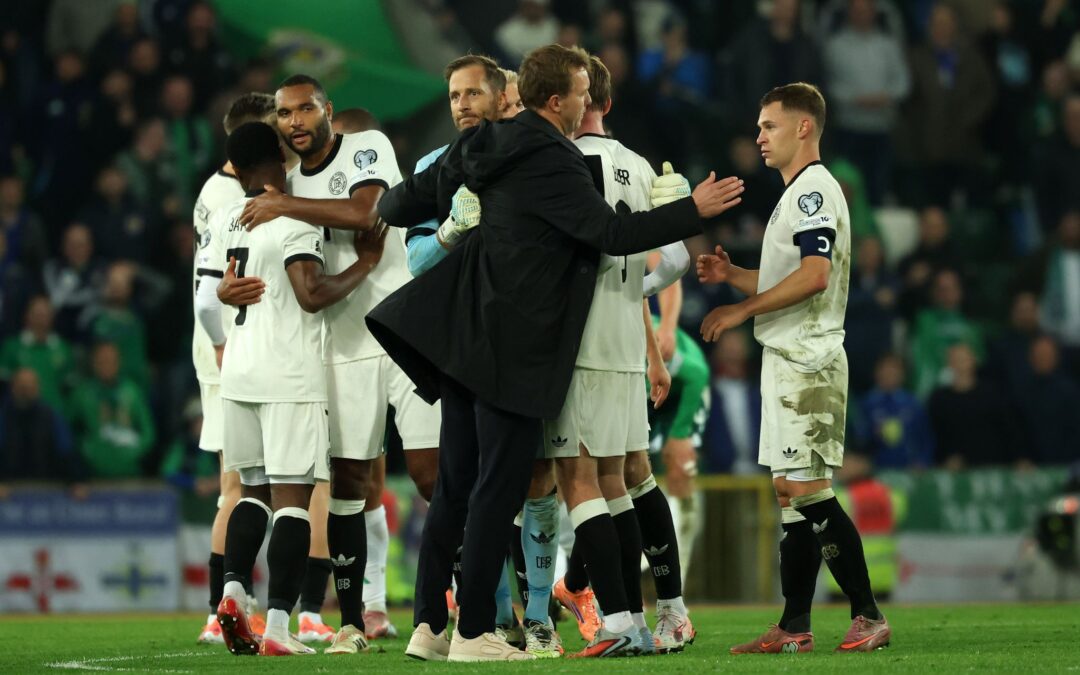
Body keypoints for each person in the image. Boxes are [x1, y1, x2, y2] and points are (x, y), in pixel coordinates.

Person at [366, 44, 744, 661]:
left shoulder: (480, 145)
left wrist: (447, 212)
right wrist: (689, 211)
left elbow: (394, 204)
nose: (584, 103)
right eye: (577, 93)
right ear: (555, 100)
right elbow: (612, 234)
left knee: (462, 483)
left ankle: (432, 626)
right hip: (515, 345)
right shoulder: (554, 157)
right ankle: (474, 632)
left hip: (461, 336)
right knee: (499, 484)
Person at [228, 74, 442, 650]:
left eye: (304, 109)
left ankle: (470, 604)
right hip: (344, 346)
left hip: (406, 332)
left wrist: (283, 204)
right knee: (348, 483)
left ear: (325, 109)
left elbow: (367, 210)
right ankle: (351, 622)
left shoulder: (365, 144)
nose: (294, 121)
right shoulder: (288, 187)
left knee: (431, 473)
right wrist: (228, 290)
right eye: (284, 114)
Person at [696, 82, 890, 653]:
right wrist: (736, 278)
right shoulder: (795, 193)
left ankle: (869, 613)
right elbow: (792, 277)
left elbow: (814, 276)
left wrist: (739, 309)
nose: (758, 136)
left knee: (806, 487)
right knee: (788, 492)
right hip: (785, 357)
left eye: (769, 126)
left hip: (810, 358)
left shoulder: (813, 192)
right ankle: (795, 626)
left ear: (804, 127)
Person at [195, 121, 387, 657]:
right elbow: (311, 293)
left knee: (251, 492)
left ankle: (233, 592)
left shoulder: (236, 216)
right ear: (279, 157)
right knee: (295, 502)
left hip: (239, 371)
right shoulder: (289, 214)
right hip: (289, 375)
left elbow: (219, 293)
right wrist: (367, 263)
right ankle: (278, 629)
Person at [550, 53, 694, 657]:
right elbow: (679, 260)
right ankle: (641, 620)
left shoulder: (562, 163)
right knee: (624, 479)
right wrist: (633, 287)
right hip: (624, 348)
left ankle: (616, 621)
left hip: (577, 344)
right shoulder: (639, 166)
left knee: (581, 478)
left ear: (581, 99)